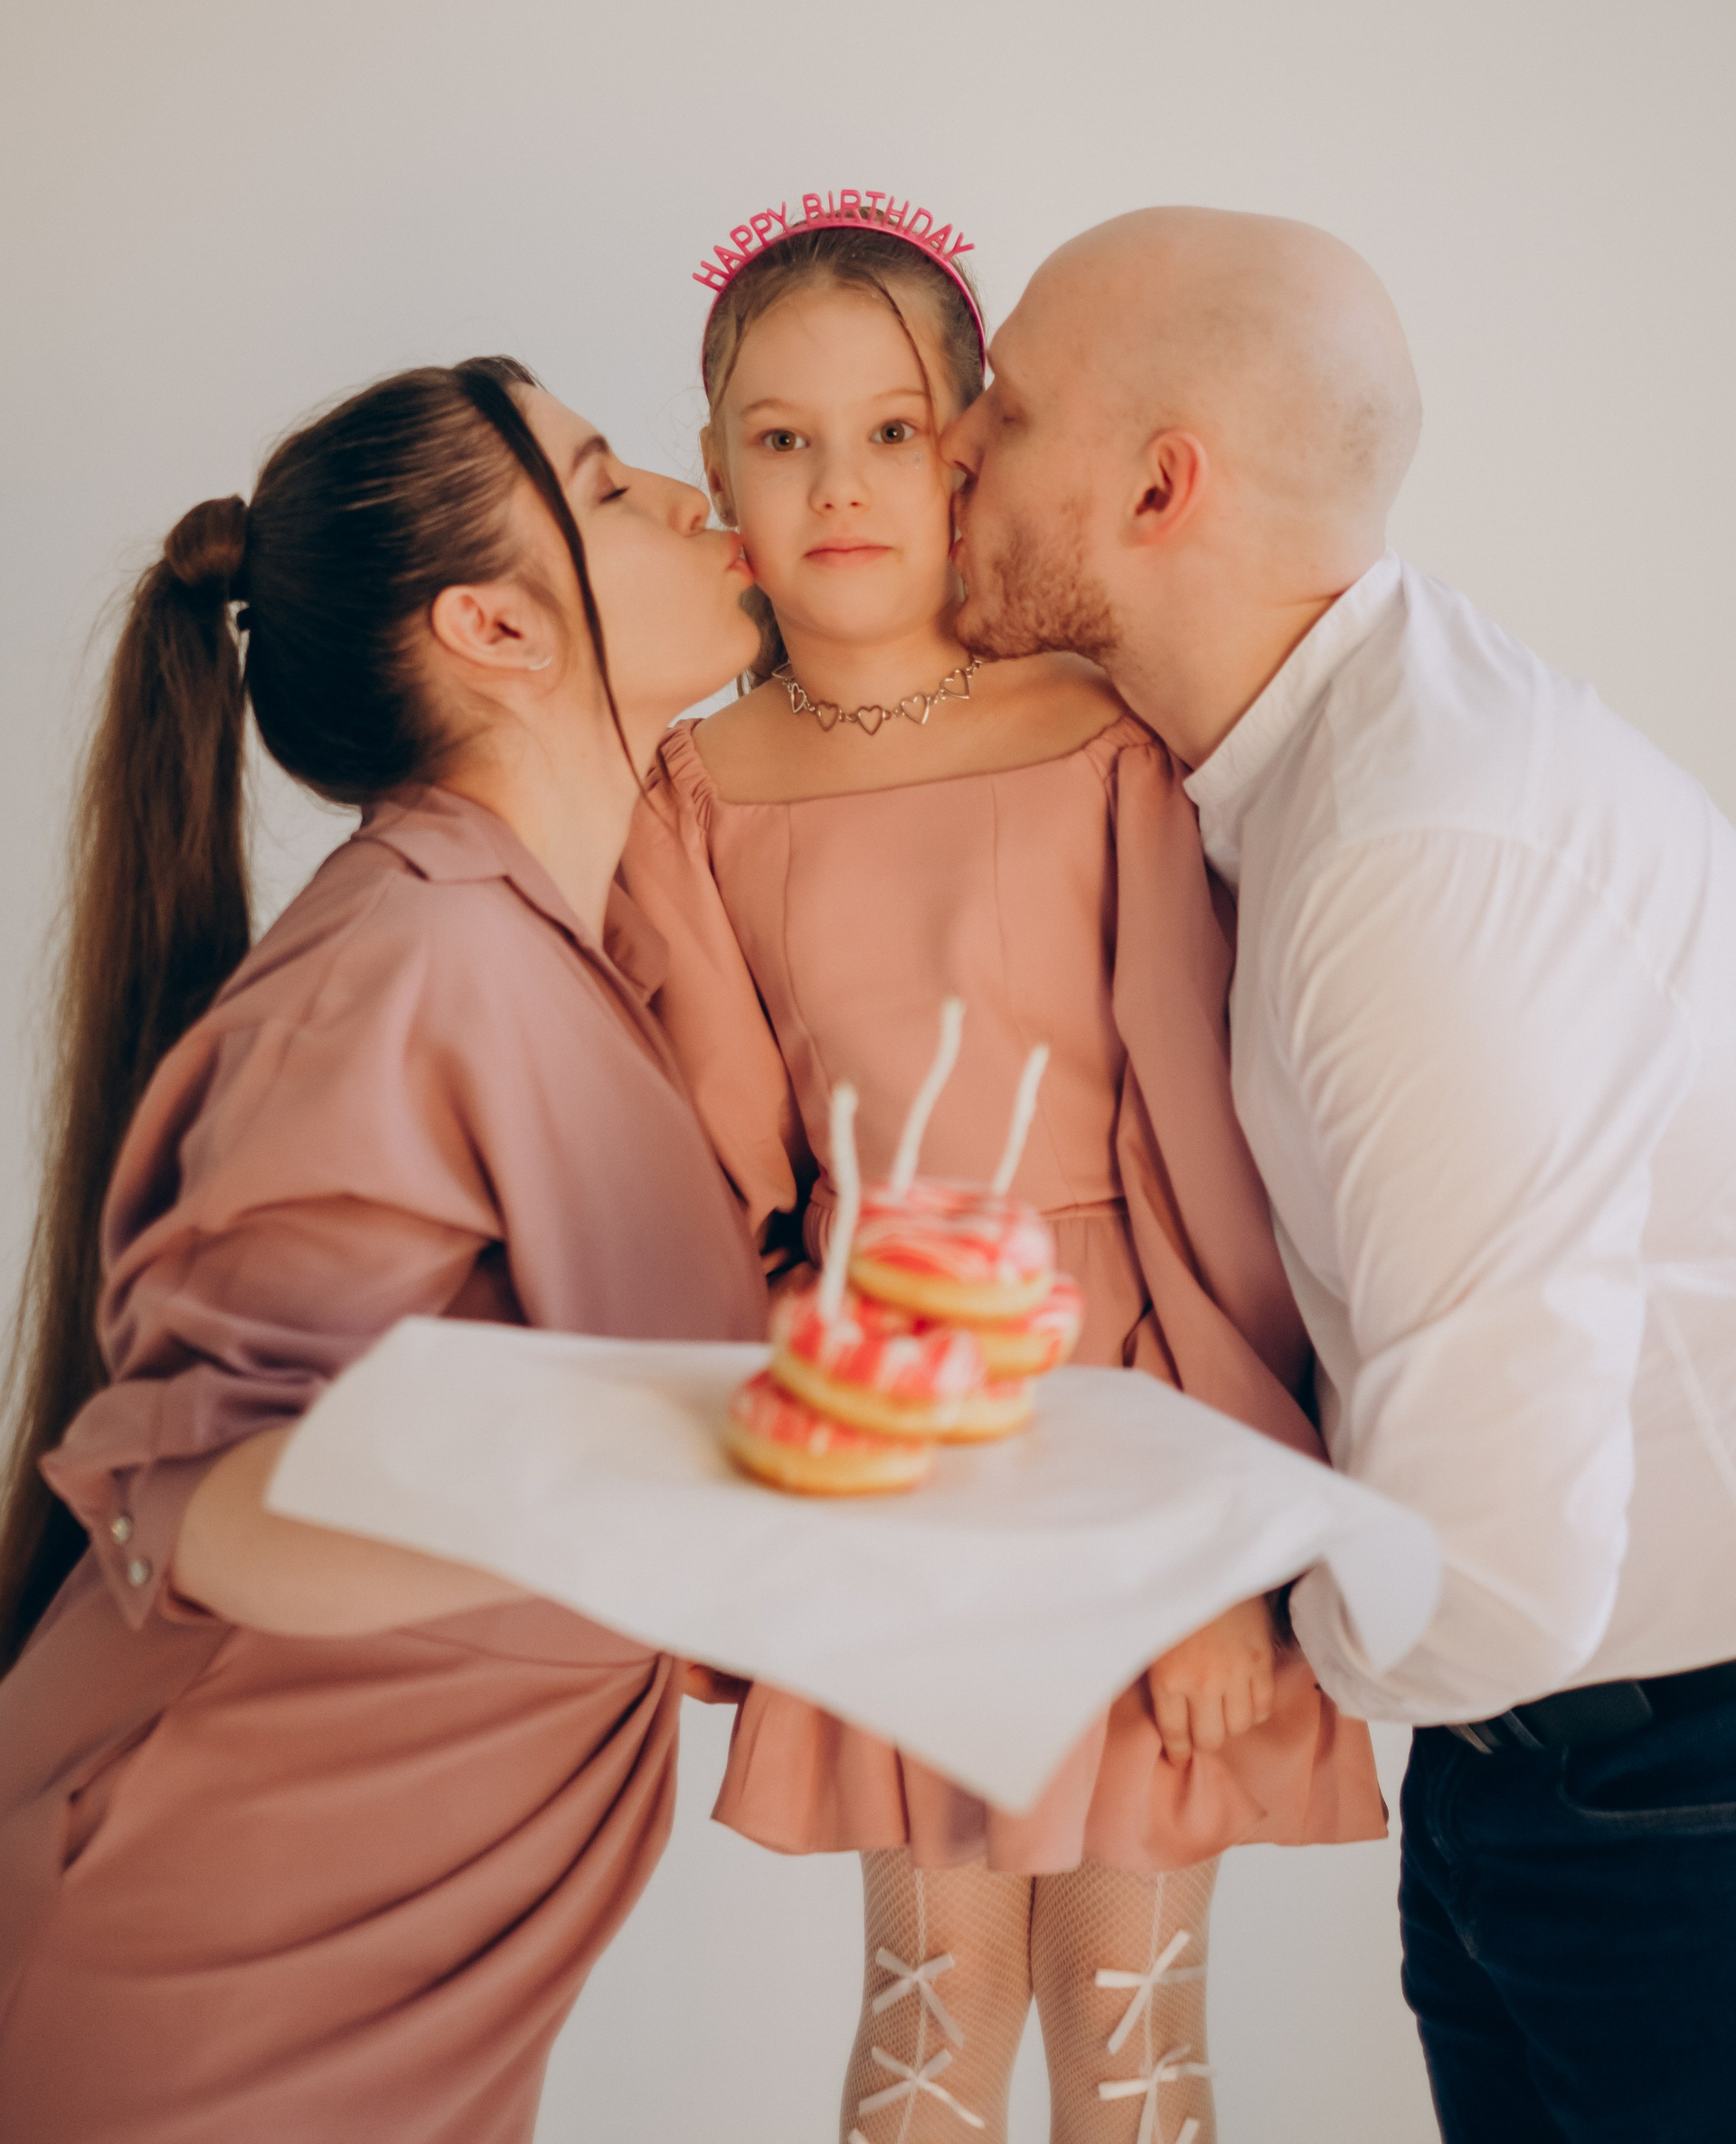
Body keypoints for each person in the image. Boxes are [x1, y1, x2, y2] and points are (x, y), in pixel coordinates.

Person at [942, 204, 1736, 2143]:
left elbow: (1502, 1581)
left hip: (1664, 1808)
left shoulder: (1410, 857)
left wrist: (1213, 1607)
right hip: (1552, 1777)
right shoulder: (1307, 764)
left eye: (1002, 410)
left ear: (1160, 487)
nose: (947, 446)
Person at [620, 197, 1384, 2144]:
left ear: (965, 453)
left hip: (1130, 1416)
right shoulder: (696, 793)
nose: (840, 484)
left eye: (892, 431)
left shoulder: (1101, 740)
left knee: (1125, 2016)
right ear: (717, 469)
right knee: (931, 1998)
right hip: (894, 1437)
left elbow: (1203, 1164)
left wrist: (1226, 1554)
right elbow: (715, 1191)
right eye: (782, 439)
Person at [0, 357, 769, 2143]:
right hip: (214, 1968)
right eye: (606, 485)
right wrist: (630, 1471)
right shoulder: (405, 966)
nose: (690, 497)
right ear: (496, 626)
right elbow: (189, 1498)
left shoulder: (563, 948)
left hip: (413, 1947)